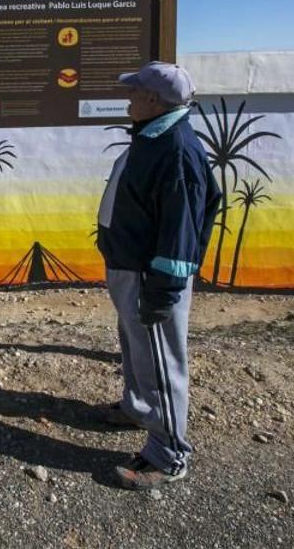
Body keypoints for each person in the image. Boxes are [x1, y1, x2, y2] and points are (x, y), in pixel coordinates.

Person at [95, 60, 221, 489]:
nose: (127, 98)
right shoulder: (154, 136)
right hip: (131, 269)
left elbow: (181, 231)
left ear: (153, 99)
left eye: (133, 92)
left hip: (151, 278)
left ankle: (168, 456)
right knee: (138, 349)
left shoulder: (176, 150)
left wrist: (162, 293)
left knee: (161, 361)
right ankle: (137, 408)